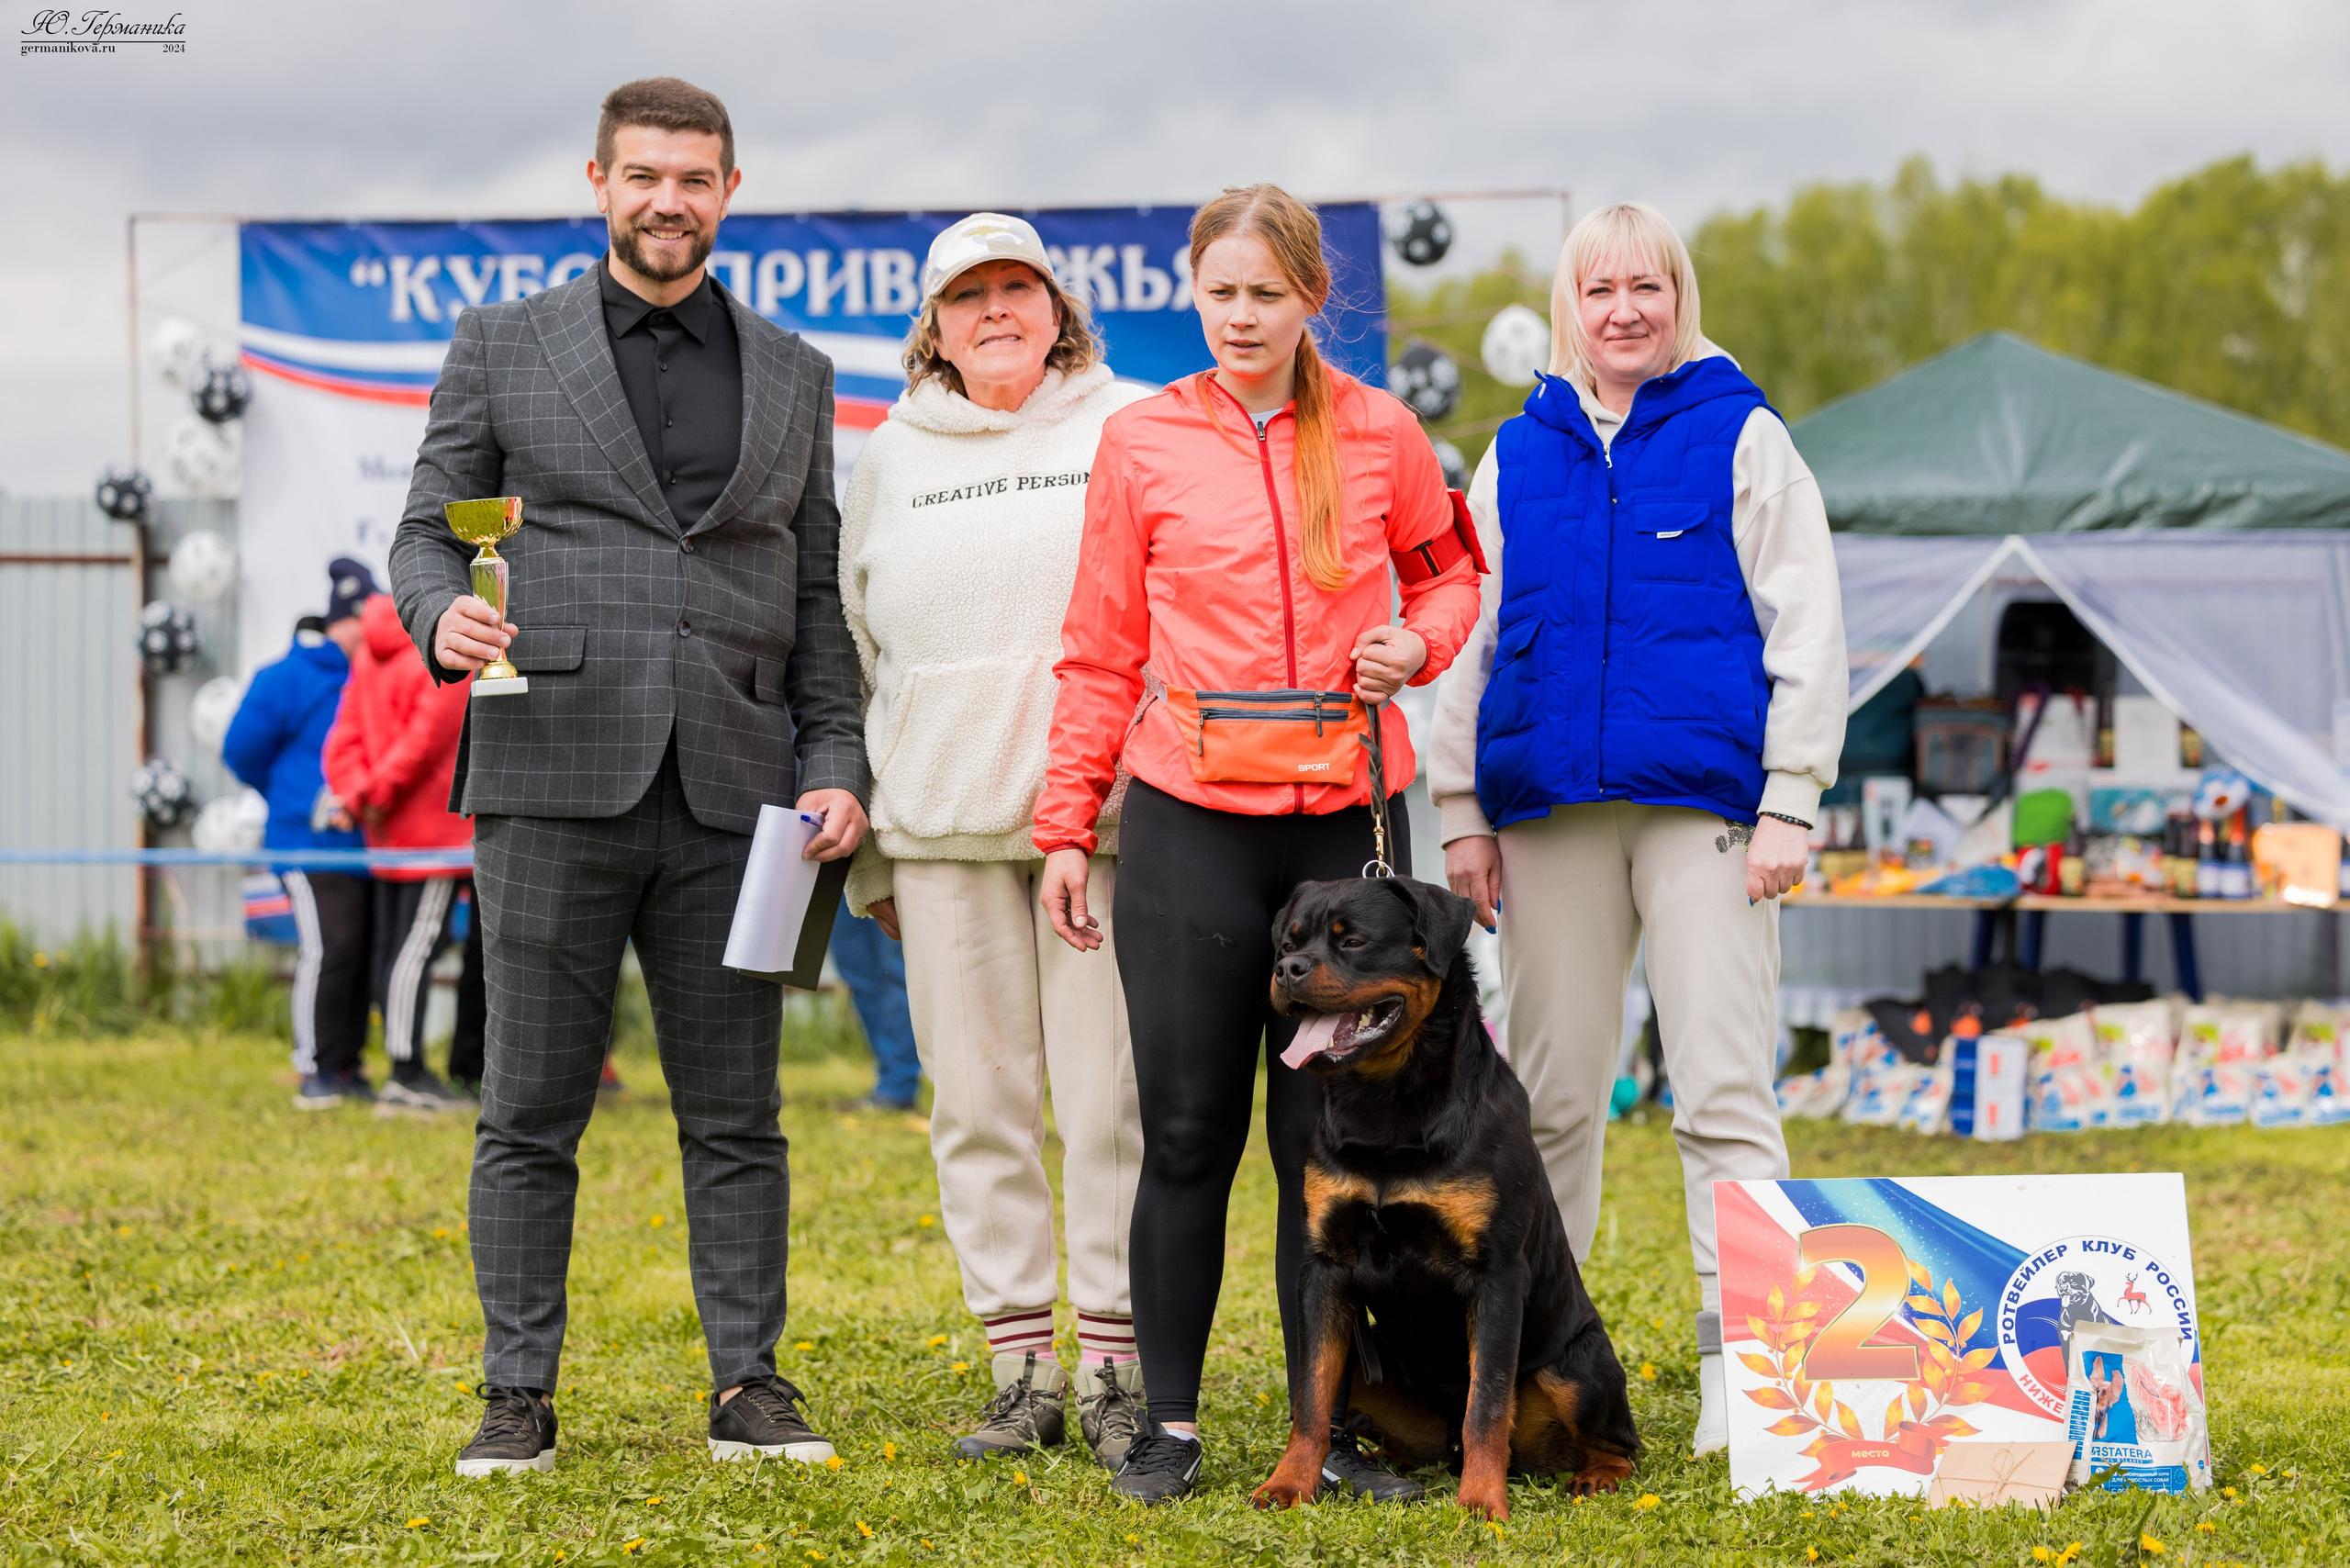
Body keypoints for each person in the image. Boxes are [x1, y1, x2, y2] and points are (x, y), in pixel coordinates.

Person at [390, 77, 870, 1478]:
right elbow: (428, 531)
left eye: (697, 178)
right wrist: (438, 617)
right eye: (645, 175)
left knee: (739, 1117)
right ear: (598, 179)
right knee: (529, 1108)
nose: (670, 200)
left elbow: (818, 590)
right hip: (546, 778)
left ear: (731, 190)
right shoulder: (501, 343)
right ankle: (516, 1394)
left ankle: (750, 1386)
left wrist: (833, 757)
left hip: (739, 793)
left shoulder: (797, 372)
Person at [1033, 185, 1483, 1504]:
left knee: (1322, 1155)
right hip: (1188, 829)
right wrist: (1066, 825)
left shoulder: (1386, 431)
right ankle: (1167, 1428)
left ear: (1309, 300)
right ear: (1195, 293)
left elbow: (1453, 571)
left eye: (1266, 295)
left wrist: (1421, 640)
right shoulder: (1143, 441)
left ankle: (1324, 1431)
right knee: (1184, 1133)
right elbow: (1100, 648)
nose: (1241, 317)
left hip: (1344, 826)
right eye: (1220, 293)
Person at [1427, 202, 1846, 1458]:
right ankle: (1539, 1372)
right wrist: (1459, 808)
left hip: (1709, 810)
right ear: (1569, 307)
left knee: (1722, 1088)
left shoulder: (1743, 434)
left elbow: (1809, 626)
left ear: (1680, 299)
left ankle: (1752, 1375)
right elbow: (1470, 638)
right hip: (1548, 814)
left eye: (1648, 288)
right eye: (1600, 289)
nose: (1624, 311)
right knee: (1549, 1100)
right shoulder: (1519, 451)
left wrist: (1791, 800)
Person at [838, 212, 1149, 1468]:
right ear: (936, 327)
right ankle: (1023, 1369)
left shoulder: (1130, 423)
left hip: (1112, 830)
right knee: (976, 1106)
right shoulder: (891, 456)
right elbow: (855, 655)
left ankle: (1123, 1369)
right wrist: (873, 857)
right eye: (967, 296)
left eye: (1018, 286)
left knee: (1111, 1104)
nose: (996, 310)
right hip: (943, 831)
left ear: (1059, 306)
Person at [322, 586, 481, 1110]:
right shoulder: (445, 642)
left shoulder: (367, 650)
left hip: (384, 829)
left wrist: (360, 794)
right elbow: (429, 738)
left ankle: (401, 1066)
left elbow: (343, 736)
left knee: (395, 948)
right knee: (416, 950)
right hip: (433, 833)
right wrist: (375, 792)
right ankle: (406, 1072)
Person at [224, 562, 375, 1109]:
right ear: (350, 620)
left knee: (356, 953)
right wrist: (296, 801)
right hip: (305, 845)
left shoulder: (368, 677)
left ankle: (346, 1064)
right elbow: (241, 752)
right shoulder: (285, 677)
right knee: (326, 949)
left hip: (360, 847)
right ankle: (313, 1067)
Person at [827, 897, 922, 1113]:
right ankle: (890, 1073)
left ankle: (898, 1085)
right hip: (834, 876)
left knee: (897, 973)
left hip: (884, 867)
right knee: (856, 973)